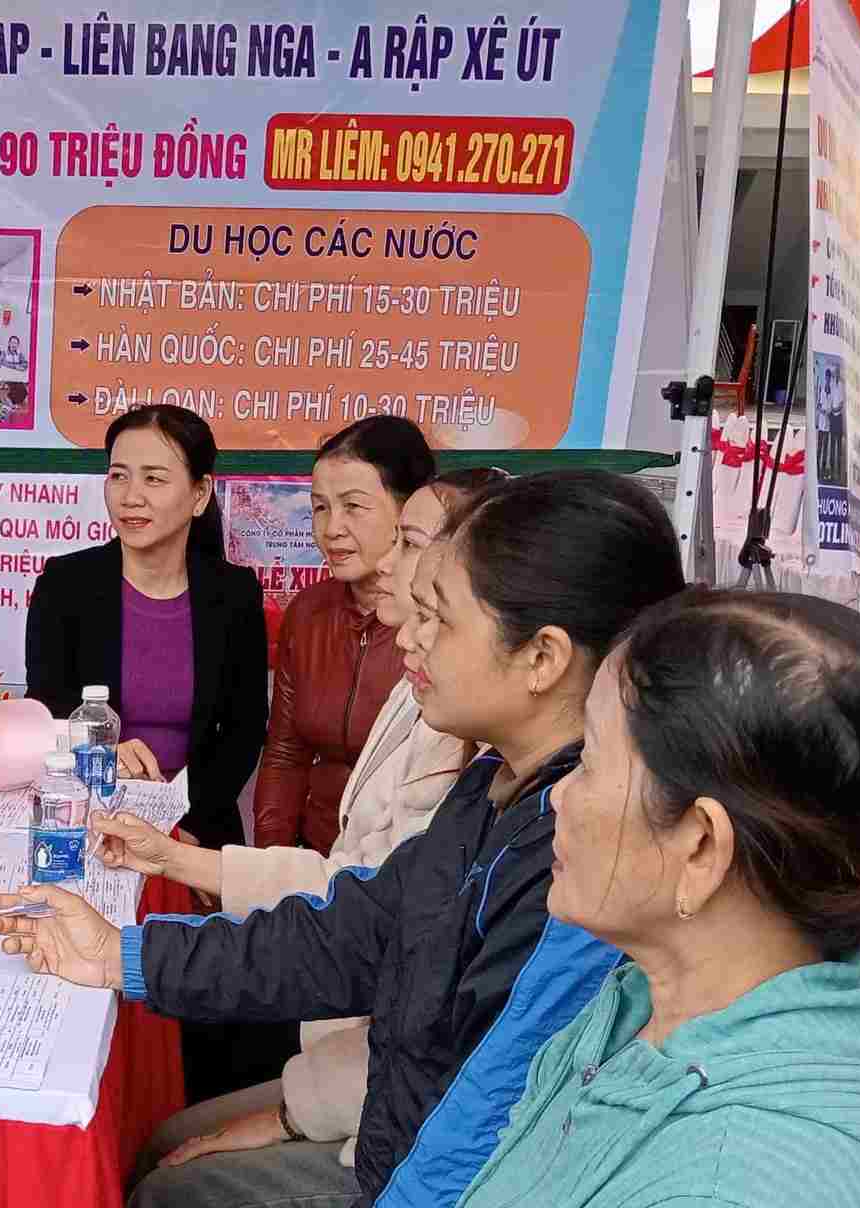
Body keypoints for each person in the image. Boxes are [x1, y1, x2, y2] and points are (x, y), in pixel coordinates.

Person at [0, 470, 687, 1208]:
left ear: (542, 657)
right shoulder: (492, 786)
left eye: (439, 619)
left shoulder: (577, 856)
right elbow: (350, 932)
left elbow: (488, 1117)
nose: (408, 636)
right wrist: (120, 955)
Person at [98, 468, 506, 1169]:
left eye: (407, 542)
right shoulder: (419, 689)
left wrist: (292, 1114)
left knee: (165, 1162)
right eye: (319, 507)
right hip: (348, 1045)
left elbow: (374, 942)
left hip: (388, 1117)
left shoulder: (497, 775)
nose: (385, 561)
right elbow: (357, 897)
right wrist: (181, 863)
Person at [459, 591, 860, 1207]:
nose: (559, 795)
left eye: (589, 761)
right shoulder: (644, 1006)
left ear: (701, 847)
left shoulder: (740, 1187)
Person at [25, 403, 268, 850]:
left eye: (154, 479)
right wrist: (99, 757)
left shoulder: (234, 594)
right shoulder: (65, 585)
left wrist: (186, 833)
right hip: (89, 817)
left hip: (196, 827)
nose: (131, 496)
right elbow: (46, 712)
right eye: (119, 476)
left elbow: (244, 731)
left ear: (199, 494)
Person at [255, 416, 434, 853]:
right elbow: (285, 753)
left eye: (353, 506)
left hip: (396, 863)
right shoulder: (309, 612)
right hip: (311, 858)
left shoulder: (436, 626)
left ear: (407, 510)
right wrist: (270, 863)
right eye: (320, 507)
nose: (332, 528)